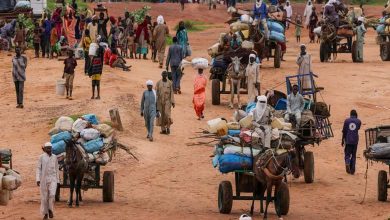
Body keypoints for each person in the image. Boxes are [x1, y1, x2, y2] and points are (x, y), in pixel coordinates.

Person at [36, 142, 59, 220]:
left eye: (50, 148)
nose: (49, 149)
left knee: (52, 195)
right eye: (47, 148)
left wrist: (58, 180)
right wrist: (38, 179)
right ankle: (45, 213)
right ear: (44, 149)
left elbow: (57, 169)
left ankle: (50, 210)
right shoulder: (41, 157)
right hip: (43, 179)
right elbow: (38, 168)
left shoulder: (55, 157)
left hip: (53, 179)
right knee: (44, 197)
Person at [342, 110, 361, 175]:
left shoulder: (346, 121)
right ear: (356, 115)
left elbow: (344, 131)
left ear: (350, 114)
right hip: (355, 140)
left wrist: (342, 140)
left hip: (348, 140)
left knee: (347, 154)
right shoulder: (358, 121)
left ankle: (347, 162)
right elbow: (358, 128)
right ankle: (352, 170)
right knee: (354, 155)